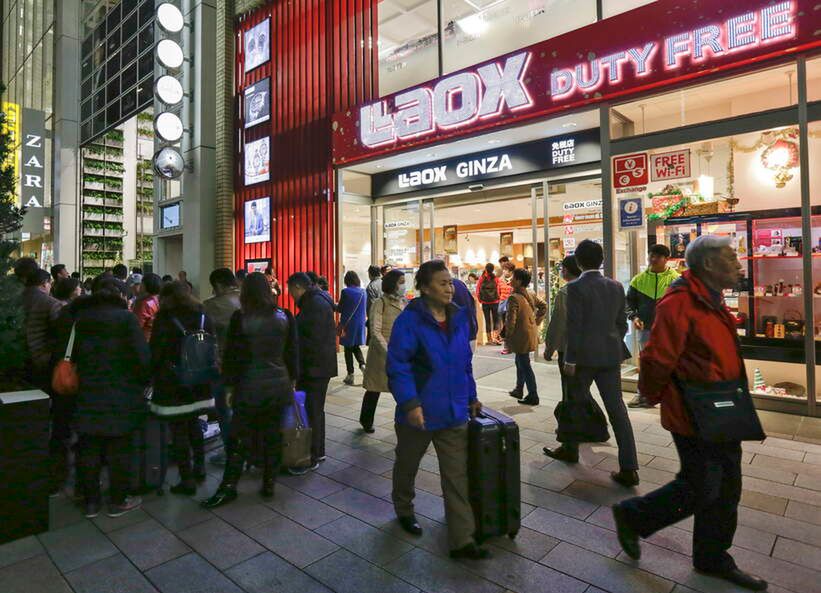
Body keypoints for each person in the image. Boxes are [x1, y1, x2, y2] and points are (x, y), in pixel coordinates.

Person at [612, 236, 767, 591]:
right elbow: (657, 356)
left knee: (724, 486)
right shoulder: (681, 301)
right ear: (709, 265)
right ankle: (635, 517)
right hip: (695, 412)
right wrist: (650, 394)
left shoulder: (709, 299)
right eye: (731, 257)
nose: (739, 263)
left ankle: (712, 556)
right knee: (703, 485)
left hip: (723, 407)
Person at [388, 260, 489, 560]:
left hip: (454, 411)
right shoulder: (409, 321)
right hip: (418, 412)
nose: (450, 288)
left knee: (457, 476)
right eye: (443, 283)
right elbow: (398, 365)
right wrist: (410, 403)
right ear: (424, 287)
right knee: (407, 465)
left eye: (450, 282)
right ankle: (404, 509)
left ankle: (462, 540)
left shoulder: (457, 318)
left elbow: (464, 363)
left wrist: (471, 395)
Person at [544, 239, 639, 487]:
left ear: (578, 261)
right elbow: (621, 323)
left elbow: (574, 328)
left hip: (583, 358)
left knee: (573, 402)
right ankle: (629, 467)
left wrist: (571, 359)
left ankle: (570, 448)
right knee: (618, 409)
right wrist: (611, 341)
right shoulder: (616, 286)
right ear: (602, 260)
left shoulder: (575, 288)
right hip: (610, 356)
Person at [202, 273, 298, 508]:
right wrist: (292, 381)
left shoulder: (240, 318)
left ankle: (229, 486)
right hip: (279, 385)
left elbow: (234, 356)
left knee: (238, 437)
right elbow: (293, 354)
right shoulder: (284, 316)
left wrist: (229, 386)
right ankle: (268, 483)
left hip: (249, 386)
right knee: (272, 436)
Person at [57, 275, 149, 518]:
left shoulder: (78, 319)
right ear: (120, 295)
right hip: (121, 392)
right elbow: (142, 358)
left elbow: (66, 354)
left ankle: (91, 502)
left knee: (88, 447)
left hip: (86, 391)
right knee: (119, 448)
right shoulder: (126, 319)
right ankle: (119, 500)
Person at [149, 281, 216, 495]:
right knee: (195, 423)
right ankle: (200, 468)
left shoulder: (165, 318)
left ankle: (186, 479)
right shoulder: (203, 315)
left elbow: (156, 352)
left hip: (173, 382)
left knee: (178, 430)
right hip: (200, 380)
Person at [287, 272, 338, 472]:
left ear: (298, 287)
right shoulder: (319, 300)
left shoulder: (313, 305)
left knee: (312, 411)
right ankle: (319, 451)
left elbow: (308, 341)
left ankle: (312, 456)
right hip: (319, 366)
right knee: (316, 410)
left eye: (291, 291)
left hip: (314, 367)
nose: (291, 295)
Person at [625, 244, 679, 408]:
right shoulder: (638, 279)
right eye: (651, 256)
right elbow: (628, 303)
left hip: (668, 331)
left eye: (657, 256)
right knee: (647, 363)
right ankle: (643, 396)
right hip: (645, 329)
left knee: (669, 363)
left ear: (666, 259)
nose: (653, 259)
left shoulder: (676, 279)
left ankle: (671, 397)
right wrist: (634, 317)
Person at [203, 268, 242, 464]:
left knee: (225, 410)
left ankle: (231, 453)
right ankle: (246, 450)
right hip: (248, 365)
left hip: (222, 365)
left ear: (217, 285)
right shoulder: (247, 299)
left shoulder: (211, 306)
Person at [360, 270, 406, 433]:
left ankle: (407, 422)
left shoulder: (403, 302)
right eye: (401, 282)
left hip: (399, 353)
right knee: (374, 389)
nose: (403, 285)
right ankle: (366, 421)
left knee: (402, 389)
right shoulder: (380, 303)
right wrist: (388, 350)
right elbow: (375, 330)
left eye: (404, 281)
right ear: (392, 283)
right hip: (381, 354)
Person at [505, 268, 547, 406]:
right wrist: (535, 322)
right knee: (520, 361)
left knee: (524, 364)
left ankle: (533, 394)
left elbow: (511, 321)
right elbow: (544, 306)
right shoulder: (531, 293)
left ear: (519, 281)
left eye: (513, 278)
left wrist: (507, 338)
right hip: (529, 333)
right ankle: (519, 389)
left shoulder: (513, 298)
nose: (510, 280)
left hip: (520, 336)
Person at [544, 256, 581, 402]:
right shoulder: (590, 289)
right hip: (589, 348)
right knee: (581, 388)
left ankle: (571, 420)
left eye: (562, 268)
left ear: (566, 270)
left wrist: (549, 347)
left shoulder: (565, 292)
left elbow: (558, 323)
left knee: (569, 388)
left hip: (568, 349)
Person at [21, 268, 62, 390]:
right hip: (42, 357)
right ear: (44, 283)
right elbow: (58, 330)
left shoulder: (15, 300)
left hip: (15, 354)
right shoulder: (52, 303)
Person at [338, 271, 367, 385]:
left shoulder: (345, 292)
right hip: (360, 323)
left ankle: (350, 375)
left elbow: (340, 308)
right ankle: (363, 365)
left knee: (348, 349)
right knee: (355, 346)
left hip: (348, 324)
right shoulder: (363, 292)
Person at [476, 263, 502, 345]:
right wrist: (498, 298)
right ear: (493, 269)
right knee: (496, 320)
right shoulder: (495, 278)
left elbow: (477, 290)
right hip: (495, 302)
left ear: (486, 269)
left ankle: (489, 339)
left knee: (487, 321)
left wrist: (480, 300)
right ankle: (496, 338)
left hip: (485, 302)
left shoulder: (481, 278)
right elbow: (499, 290)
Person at [132, 273, 161, 342]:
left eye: (142, 283)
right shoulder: (158, 300)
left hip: (144, 340)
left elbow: (137, 325)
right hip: (156, 339)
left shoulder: (143, 303)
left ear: (145, 286)